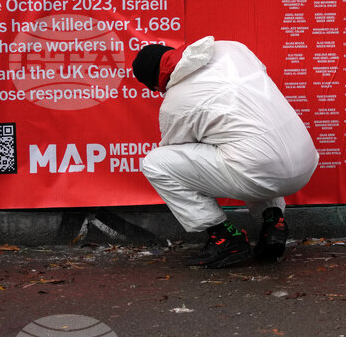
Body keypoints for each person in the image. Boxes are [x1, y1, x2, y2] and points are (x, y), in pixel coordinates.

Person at [131, 36, 319, 268]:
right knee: (244, 145)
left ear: (156, 84)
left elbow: (176, 151)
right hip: (306, 160)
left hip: (260, 171)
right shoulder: (231, 48)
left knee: (156, 163)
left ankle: (224, 238)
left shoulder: (174, 104)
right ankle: (273, 223)